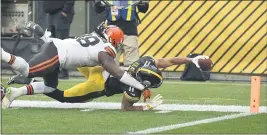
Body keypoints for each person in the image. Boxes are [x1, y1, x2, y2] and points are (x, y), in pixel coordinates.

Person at [1, 21, 151, 108]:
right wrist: (141, 87)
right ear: (112, 41)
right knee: (28, 71)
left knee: (50, 87)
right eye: (117, 43)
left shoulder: (96, 37)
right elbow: (118, 74)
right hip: (56, 54)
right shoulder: (104, 51)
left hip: (56, 49)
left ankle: (16, 92)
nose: (118, 46)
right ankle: (3, 54)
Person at [3, 55, 209, 111]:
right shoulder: (133, 88)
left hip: (99, 68)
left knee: (63, 59)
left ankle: (31, 65)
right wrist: (145, 107)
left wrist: (191, 60)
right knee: (63, 96)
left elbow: (170, 61)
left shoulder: (145, 61)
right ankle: (24, 87)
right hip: (98, 86)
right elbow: (125, 108)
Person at [94, 0, 149, 67]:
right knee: (111, 64)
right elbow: (98, 10)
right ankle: (112, 77)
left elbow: (143, 9)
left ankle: (129, 77)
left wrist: (144, 2)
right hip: (112, 34)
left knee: (132, 65)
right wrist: (99, 3)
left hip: (130, 33)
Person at [43, 0, 75, 79]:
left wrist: (65, 10)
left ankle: (63, 72)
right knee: (52, 43)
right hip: (51, 13)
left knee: (62, 43)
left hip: (61, 12)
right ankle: (54, 71)